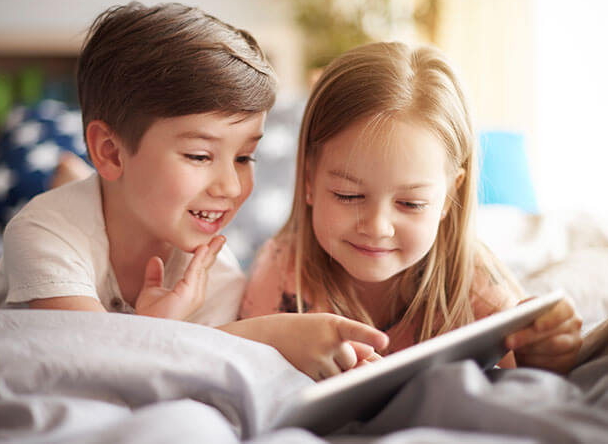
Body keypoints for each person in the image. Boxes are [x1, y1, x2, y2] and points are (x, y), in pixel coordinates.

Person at [0, 2, 388, 380]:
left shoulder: (212, 268)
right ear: (111, 152)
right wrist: (271, 336)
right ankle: (70, 180)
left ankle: (75, 177)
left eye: (245, 158)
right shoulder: (44, 233)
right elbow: (93, 364)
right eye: (200, 157)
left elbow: (192, 370)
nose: (230, 186)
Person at [240, 41, 583, 373]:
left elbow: (526, 370)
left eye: (411, 203)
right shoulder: (280, 271)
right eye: (348, 195)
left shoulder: (470, 278)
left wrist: (546, 354)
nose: (377, 226)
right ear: (309, 180)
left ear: (451, 196)